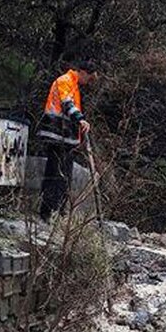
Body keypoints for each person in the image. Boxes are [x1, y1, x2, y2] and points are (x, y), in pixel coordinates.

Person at [38, 64, 97, 219]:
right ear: (83, 72)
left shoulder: (73, 84)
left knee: (62, 176)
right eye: (89, 78)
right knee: (56, 174)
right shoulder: (65, 81)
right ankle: (49, 212)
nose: (88, 82)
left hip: (64, 137)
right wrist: (80, 119)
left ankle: (58, 211)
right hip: (57, 135)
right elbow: (67, 104)